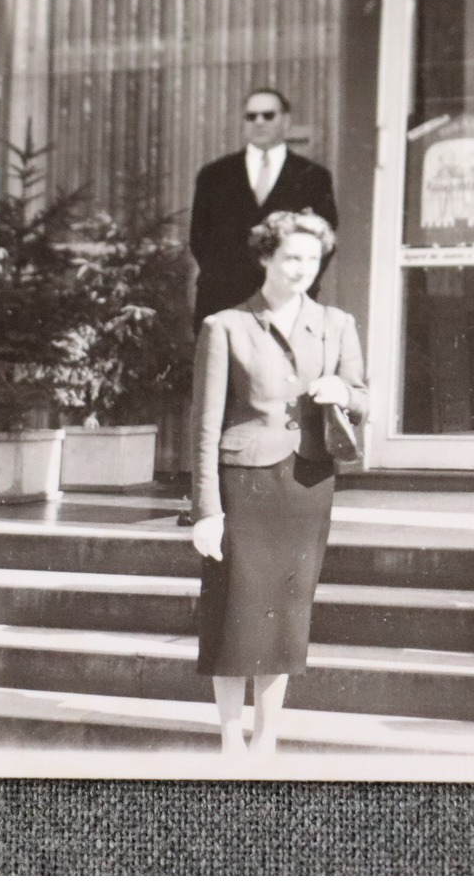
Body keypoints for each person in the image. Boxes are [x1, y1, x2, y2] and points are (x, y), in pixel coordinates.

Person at [187, 209, 366, 755]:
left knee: (286, 615)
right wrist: (205, 510)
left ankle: (266, 737)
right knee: (234, 614)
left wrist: (344, 393)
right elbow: (204, 425)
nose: (302, 269)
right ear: (265, 255)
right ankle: (229, 738)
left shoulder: (337, 323)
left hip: (307, 483)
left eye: (312, 260)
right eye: (291, 257)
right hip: (245, 485)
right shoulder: (225, 327)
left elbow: (362, 398)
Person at [188, 88, 339, 328]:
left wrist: (292, 281)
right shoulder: (214, 175)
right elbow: (199, 239)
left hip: (286, 302)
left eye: (268, 115)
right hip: (223, 300)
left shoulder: (313, 177)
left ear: (286, 121)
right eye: (251, 116)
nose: (259, 122)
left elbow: (324, 242)